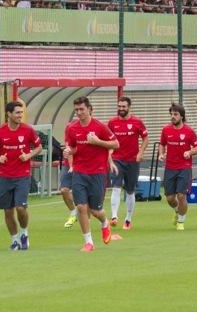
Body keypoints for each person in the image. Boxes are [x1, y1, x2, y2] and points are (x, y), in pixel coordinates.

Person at [63, 96, 119, 252]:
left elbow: (116, 144)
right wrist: (68, 151)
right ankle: (89, 242)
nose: (79, 113)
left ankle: (105, 223)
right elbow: (74, 148)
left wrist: (98, 142)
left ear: (89, 109)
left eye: (82, 109)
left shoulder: (100, 127)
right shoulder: (72, 128)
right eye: (76, 110)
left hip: (98, 173)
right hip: (79, 172)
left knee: (95, 210)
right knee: (81, 207)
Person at [0, 101, 42, 251]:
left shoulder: (28, 130)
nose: (20, 115)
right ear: (8, 114)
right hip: (5, 176)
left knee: (20, 208)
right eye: (17, 113)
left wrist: (28, 155)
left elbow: (39, 147)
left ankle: (24, 233)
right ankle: (15, 239)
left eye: (21, 113)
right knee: (8, 210)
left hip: (22, 175)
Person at [107, 96, 148, 230]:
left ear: (129, 107)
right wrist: (110, 154)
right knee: (116, 187)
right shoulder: (112, 122)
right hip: (117, 160)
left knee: (130, 191)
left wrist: (140, 153)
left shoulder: (137, 122)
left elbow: (145, 138)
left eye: (123, 107)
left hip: (132, 161)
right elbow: (107, 139)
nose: (121, 109)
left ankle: (128, 219)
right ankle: (114, 216)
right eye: (119, 106)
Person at [158, 103, 197, 231]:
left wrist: (190, 152)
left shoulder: (189, 131)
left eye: (175, 114)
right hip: (170, 168)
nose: (173, 117)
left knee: (181, 196)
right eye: (171, 114)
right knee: (170, 198)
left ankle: (181, 221)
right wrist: (161, 154)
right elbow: (162, 144)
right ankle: (177, 211)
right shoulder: (166, 130)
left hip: (184, 168)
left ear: (182, 116)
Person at [60, 122, 78, 229]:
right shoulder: (69, 127)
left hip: (83, 164)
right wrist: (71, 166)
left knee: (83, 194)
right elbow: (68, 148)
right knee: (63, 190)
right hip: (68, 165)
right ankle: (73, 212)